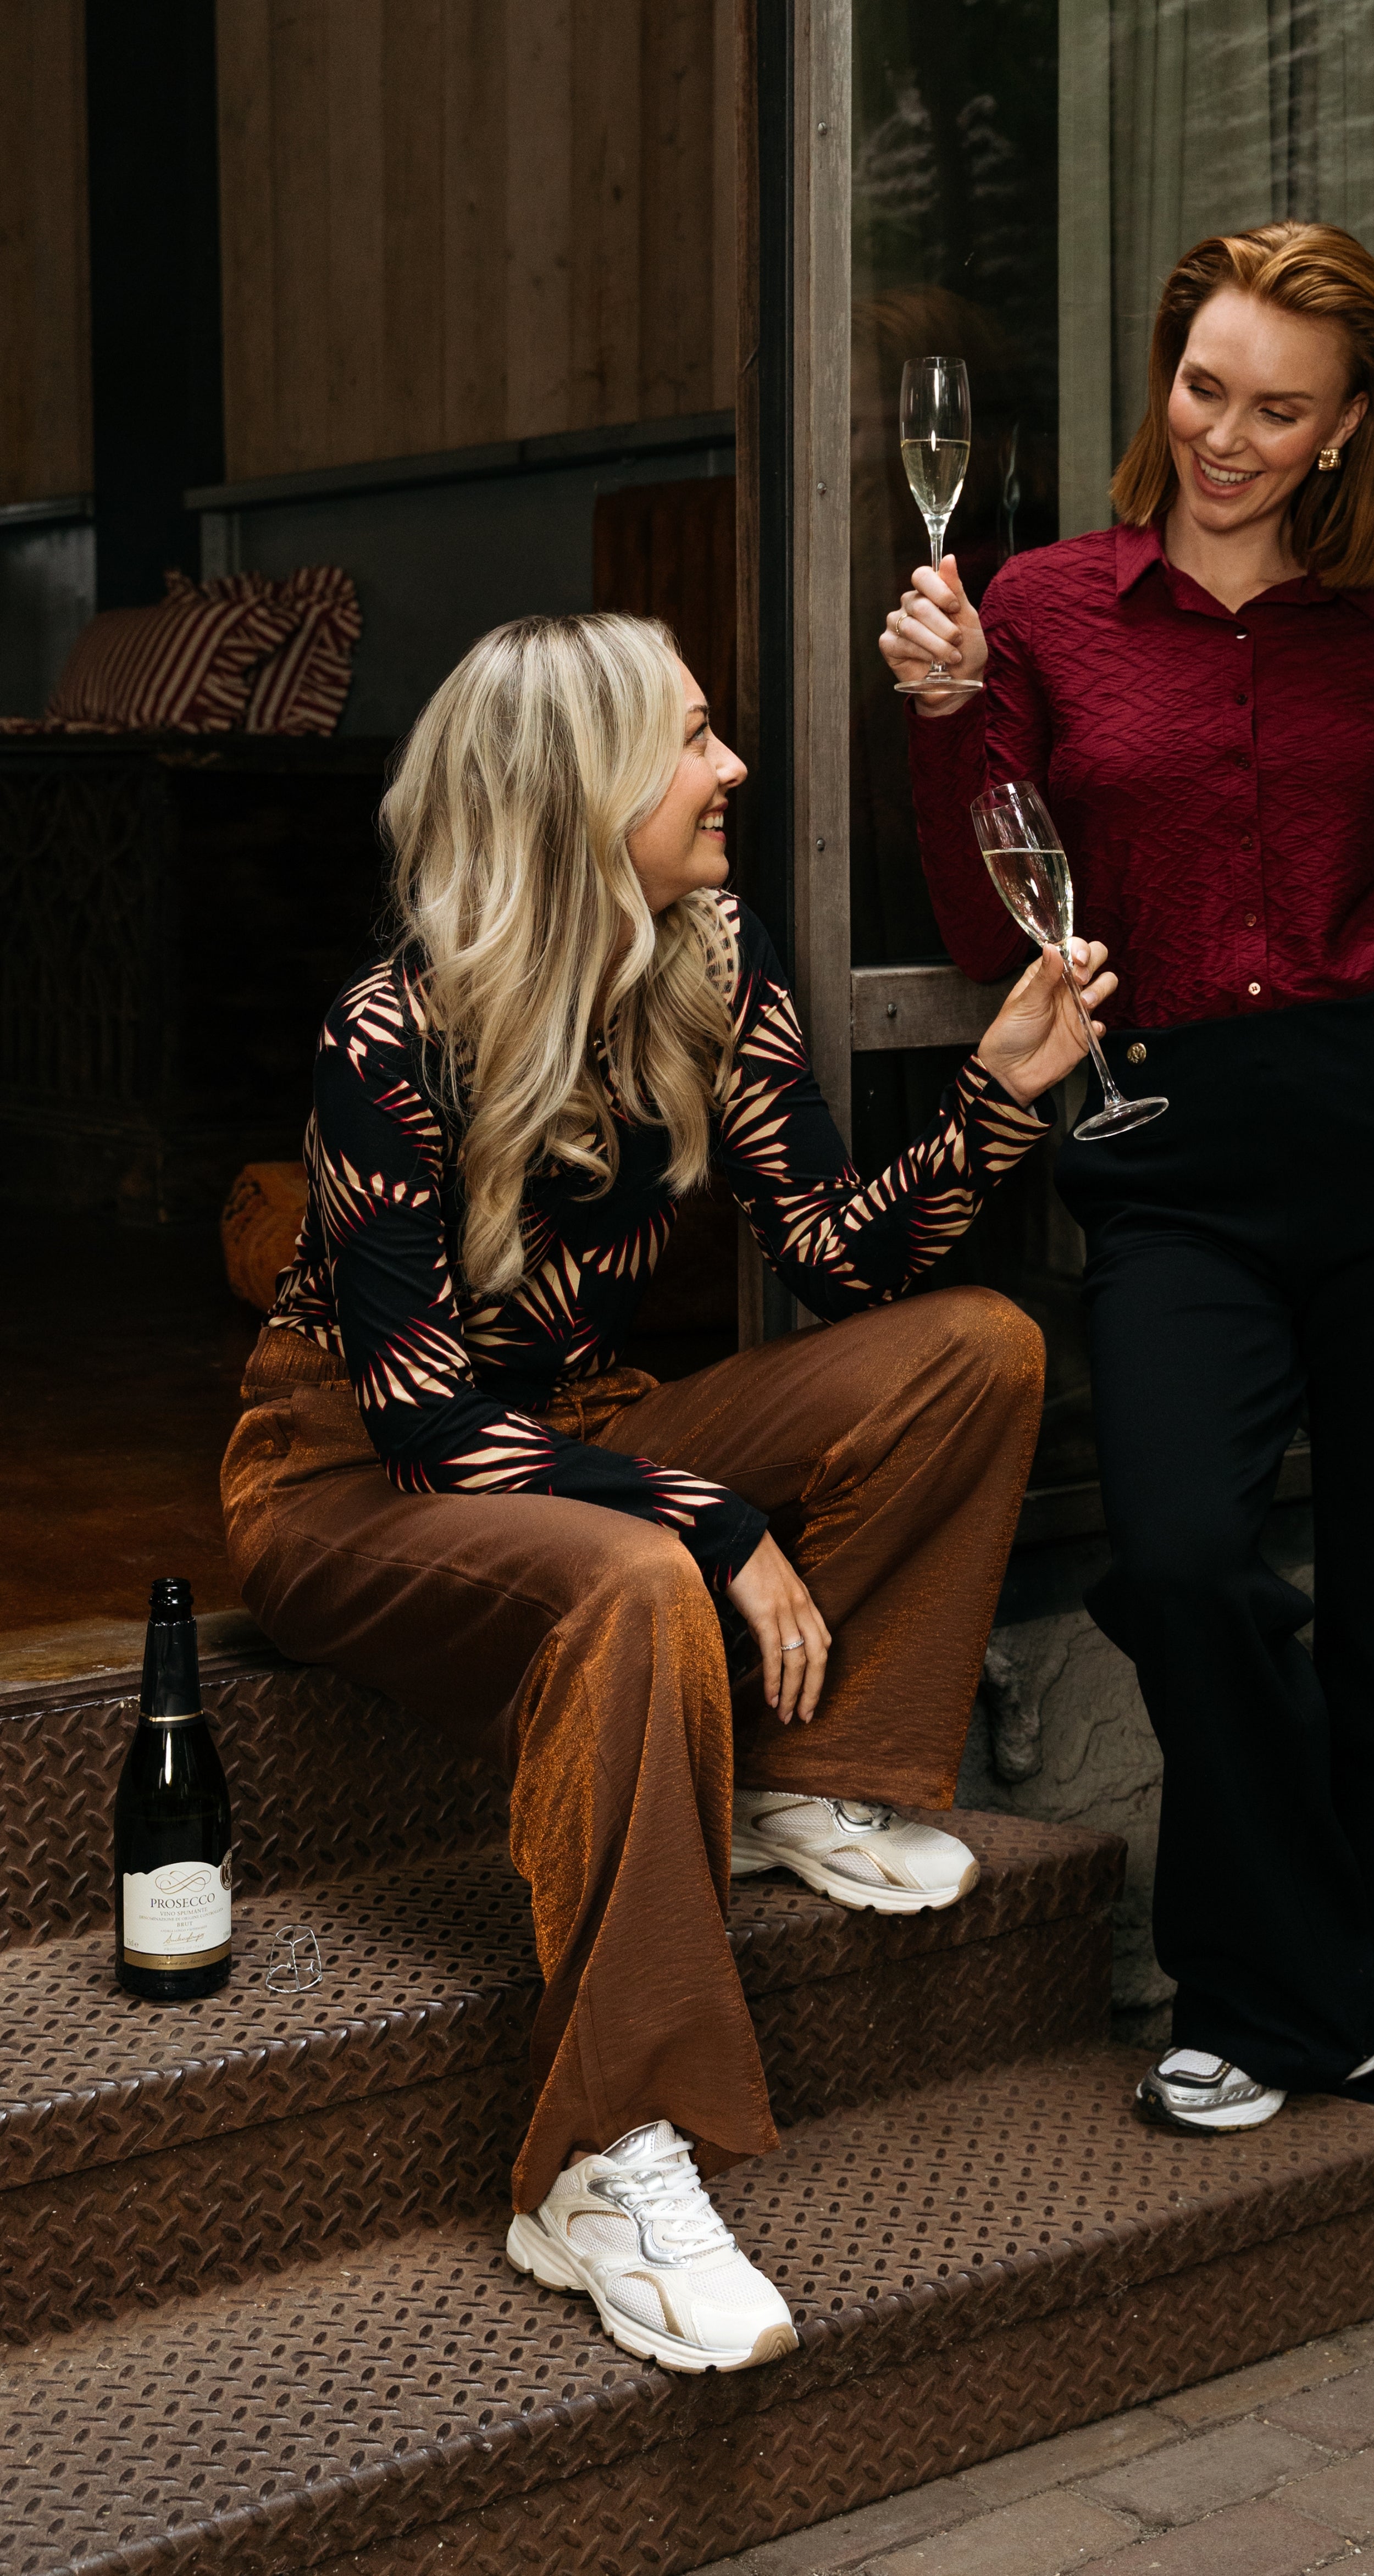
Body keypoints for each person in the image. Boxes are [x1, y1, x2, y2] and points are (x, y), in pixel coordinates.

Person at [221, 612, 1110, 2375]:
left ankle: (803, 1777)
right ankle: (602, 2162)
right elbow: (422, 1418)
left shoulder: (713, 957)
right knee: (635, 1578)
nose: (733, 769)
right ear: (578, 787)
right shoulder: (390, 1031)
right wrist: (707, 1520)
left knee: (978, 1350)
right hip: (350, 1474)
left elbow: (839, 1257)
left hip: (580, 1423)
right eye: (692, 738)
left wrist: (999, 1102)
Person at [880, 221, 1374, 2149]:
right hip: (1174, 1153)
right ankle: (1297, 1978)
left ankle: (1372, 2053)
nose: (1228, 439)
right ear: (1164, 372)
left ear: (1349, 428)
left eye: (1279, 410)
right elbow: (985, 922)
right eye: (1204, 389)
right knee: (1180, 1558)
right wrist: (948, 717)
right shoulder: (1040, 609)